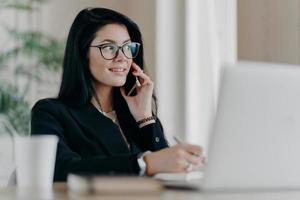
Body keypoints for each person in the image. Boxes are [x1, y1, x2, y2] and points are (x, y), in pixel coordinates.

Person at [31, 7, 204, 181]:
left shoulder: (136, 116)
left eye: (127, 47)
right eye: (109, 47)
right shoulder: (50, 112)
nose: (122, 57)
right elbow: (61, 169)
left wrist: (145, 117)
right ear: (83, 53)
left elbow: (165, 173)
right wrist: (144, 163)